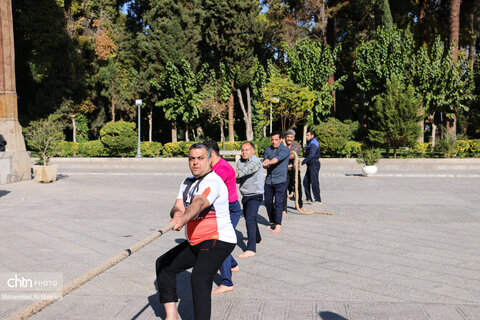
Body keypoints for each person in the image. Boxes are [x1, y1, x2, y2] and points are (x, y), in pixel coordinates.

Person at [155, 143, 236, 320]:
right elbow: (178, 205)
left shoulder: (213, 181)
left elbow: (199, 203)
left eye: (200, 158)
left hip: (218, 239)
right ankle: (171, 316)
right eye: (192, 159)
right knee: (163, 265)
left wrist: (183, 219)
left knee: (199, 278)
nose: (195, 162)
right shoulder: (187, 182)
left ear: (209, 160)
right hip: (196, 241)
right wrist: (177, 215)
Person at [202, 140, 241, 295]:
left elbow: (210, 189)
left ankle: (227, 282)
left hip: (231, 209)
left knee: (221, 244)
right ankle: (233, 264)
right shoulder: (216, 166)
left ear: (212, 154)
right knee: (221, 241)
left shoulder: (222, 169)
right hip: (223, 209)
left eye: (204, 156)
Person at [236, 142, 264, 258]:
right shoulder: (240, 162)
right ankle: (257, 238)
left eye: (247, 150)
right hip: (246, 195)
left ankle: (251, 248)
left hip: (255, 194)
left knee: (250, 219)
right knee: (249, 217)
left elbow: (246, 170)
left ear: (252, 151)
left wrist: (234, 174)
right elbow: (239, 178)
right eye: (242, 150)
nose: (244, 152)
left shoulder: (255, 161)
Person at [263, 131, 290, 234]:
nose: (274, 142)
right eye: (272, 139)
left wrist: (268, 162)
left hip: (280, 180)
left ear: (280, 140)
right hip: (269, 180)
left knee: (278, 203)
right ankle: (273, 222)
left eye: (276, 139)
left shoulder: (285, 150)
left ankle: (278, 225)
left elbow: (276, 159)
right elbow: (266, 160)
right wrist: (265, 164)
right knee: (268, 202)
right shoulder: (267, 149)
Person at [282, 129, 303, 215]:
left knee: (298, 187)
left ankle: (300, 205)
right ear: (285, 137)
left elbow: (291, 156)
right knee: (284, 188)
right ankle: (284, 209)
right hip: (285, 170)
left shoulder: (297, 145)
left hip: (294, 169)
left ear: (294, 138)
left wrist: (283, 154)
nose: (289, 139)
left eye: (291, 137)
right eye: (288, 137)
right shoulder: (282, 145)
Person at [302, 130, 321, 203]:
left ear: (312, 136)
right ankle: (308, 198)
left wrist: (302, 163)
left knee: (314, 182)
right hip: (310, 165)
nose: (306, 137)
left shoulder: (314, 143)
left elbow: (311, 155)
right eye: (306, 135)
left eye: (307, 135)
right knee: (305, 182)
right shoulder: (310, 143)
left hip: (314, 164)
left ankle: (318, 199)